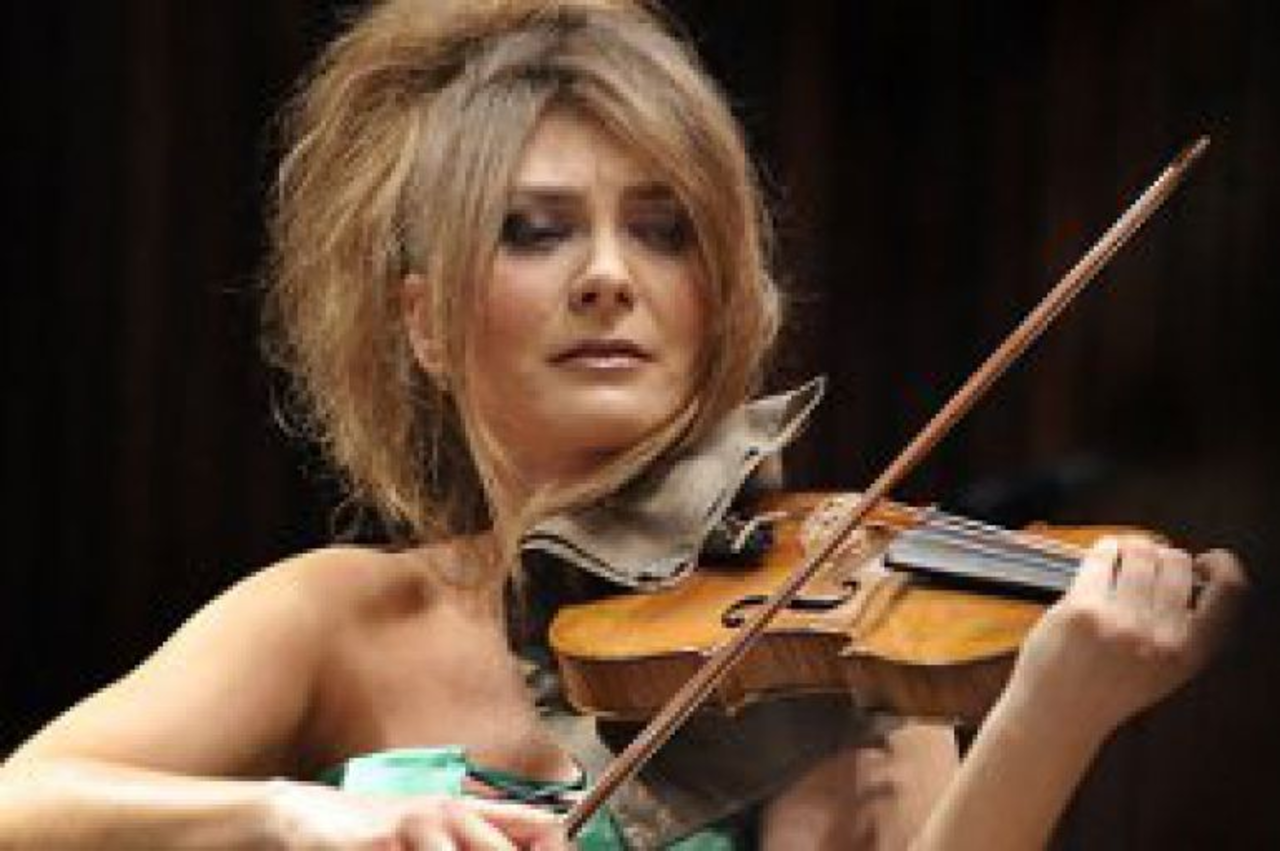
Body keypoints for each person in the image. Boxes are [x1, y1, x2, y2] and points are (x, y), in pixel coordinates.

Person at [0, 1, 1246, 849]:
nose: (607, 275)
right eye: (533, 230)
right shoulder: (338, 622)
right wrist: (294, 815)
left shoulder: (832, 654)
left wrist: (1049, 714)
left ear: (717, 295)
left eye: (662, 230)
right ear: (423, 320)